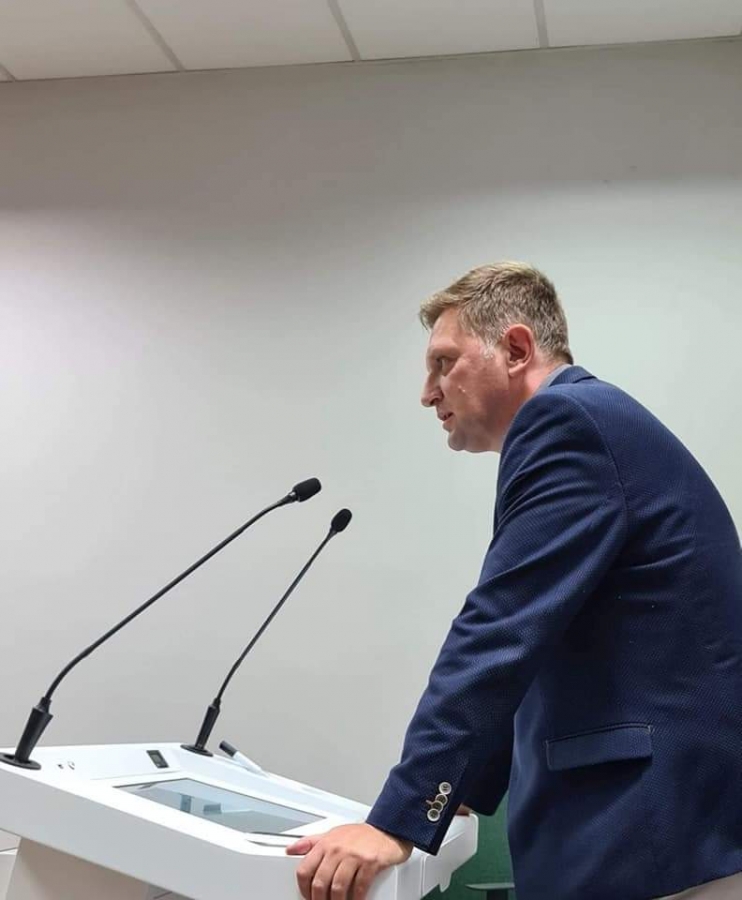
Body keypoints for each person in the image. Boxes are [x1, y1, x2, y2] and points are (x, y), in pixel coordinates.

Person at [287, 262, 742, 900]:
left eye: (444, 363)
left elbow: (500, 632)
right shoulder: (591, 421)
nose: (428, 392)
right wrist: (462, 791)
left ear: (517, 349)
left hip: (649, 834)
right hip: (672, 832)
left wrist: (397, 820)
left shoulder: (566, 423)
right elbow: (536, 640)